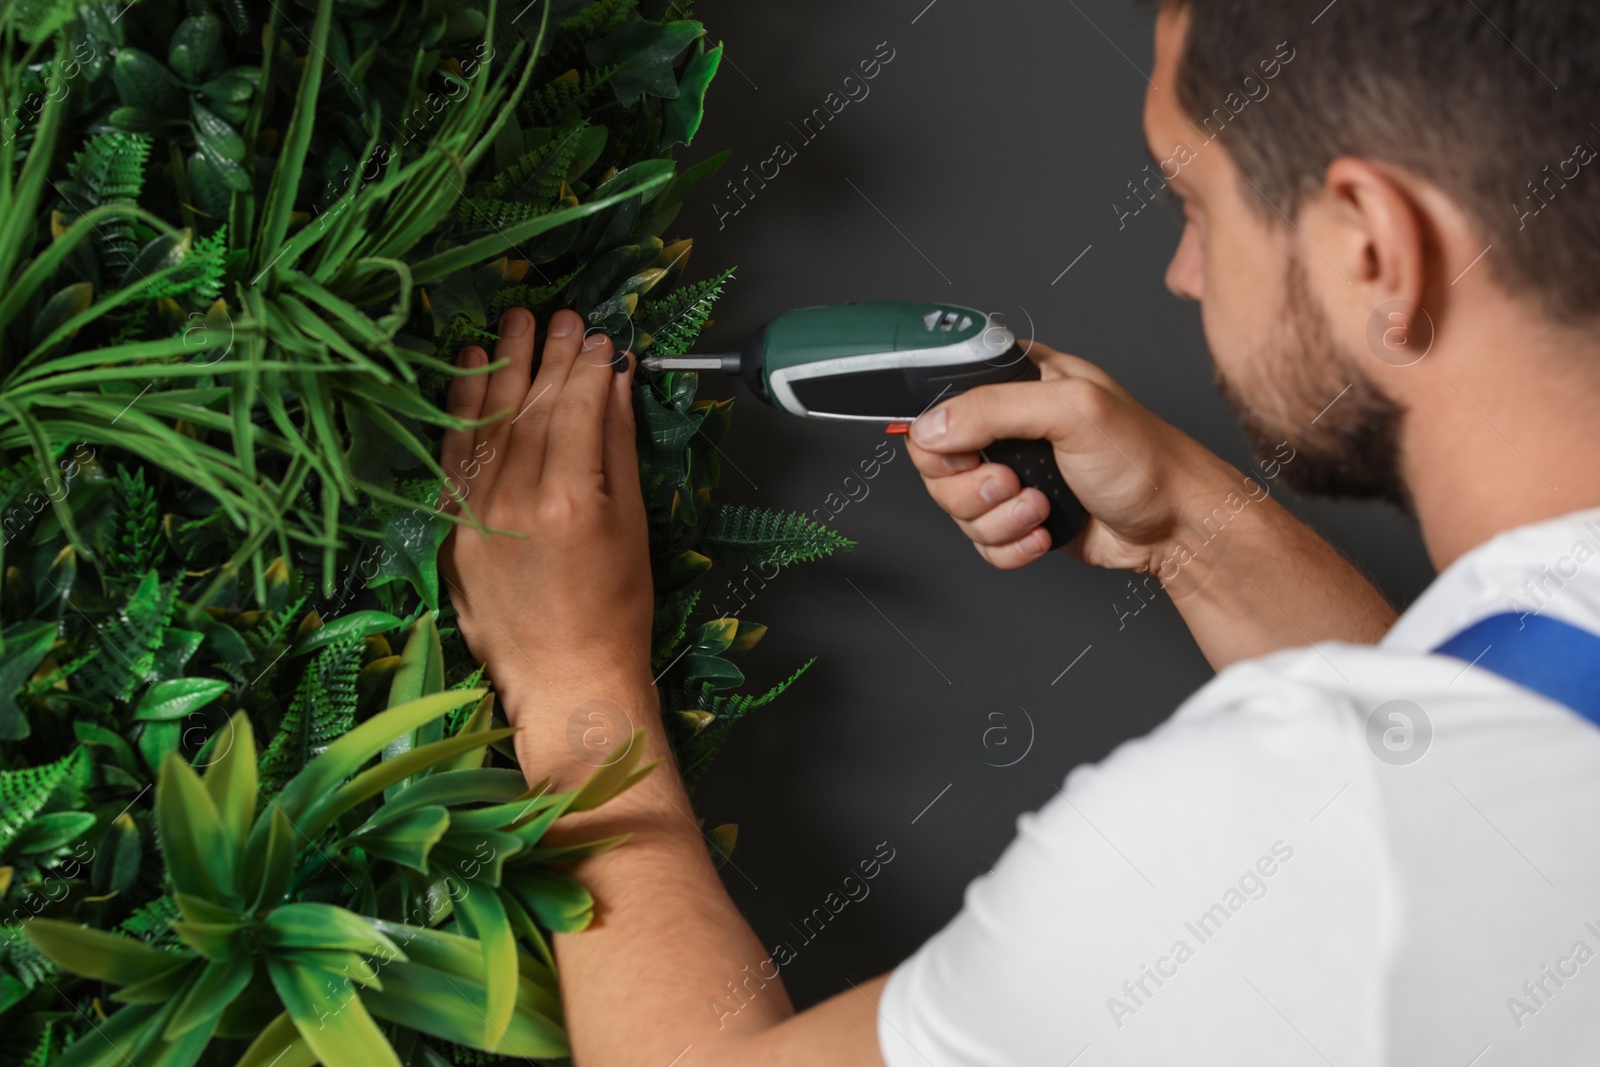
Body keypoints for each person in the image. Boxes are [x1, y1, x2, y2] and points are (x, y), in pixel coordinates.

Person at [437, 0, 1600, 1062]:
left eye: (1194, 202)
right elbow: (1469, 779)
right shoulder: (1491, 746)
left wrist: (578, 684)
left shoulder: (1282, 833)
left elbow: (1399, 821)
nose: (1185, 274)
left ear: (1371, 247)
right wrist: (1186, 529)